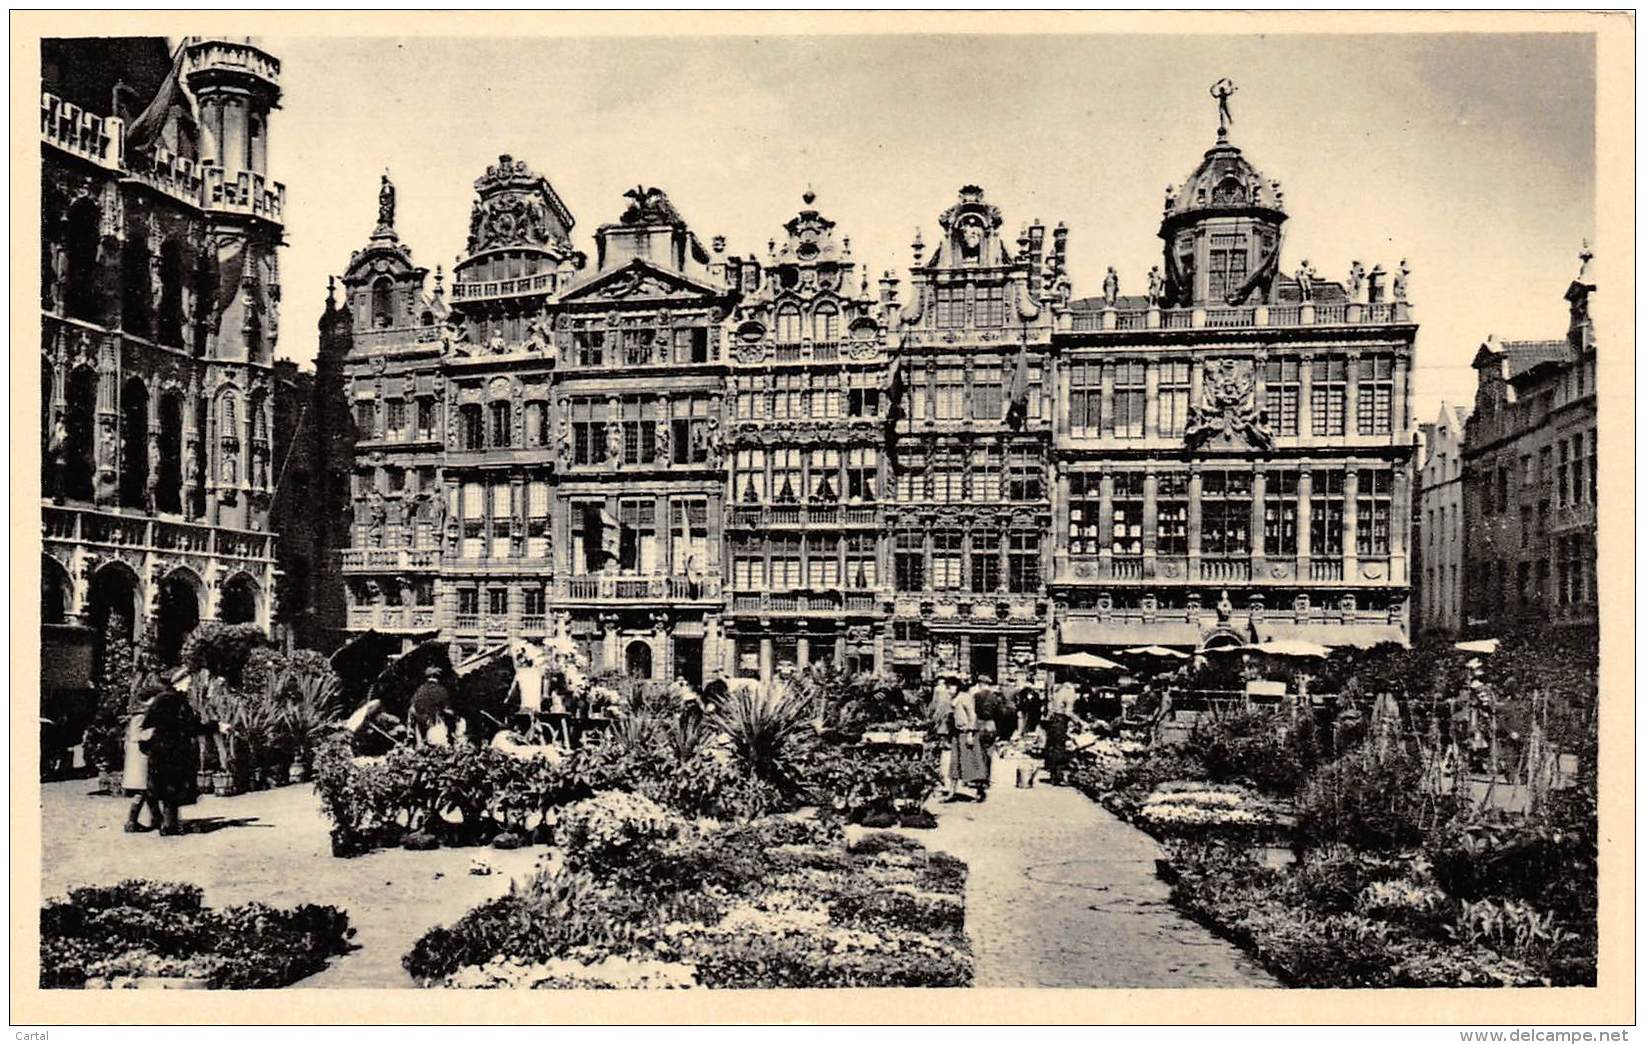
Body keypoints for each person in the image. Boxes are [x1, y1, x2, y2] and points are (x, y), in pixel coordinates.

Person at [139, 667, 228, 836]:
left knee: (164, 789)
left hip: (161, 750)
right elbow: (189, 727)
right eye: (187, 682)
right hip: (172, 751)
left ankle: (165, 823)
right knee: (170, 789)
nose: (190, 685)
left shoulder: (164, 700)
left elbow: (149, 725)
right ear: (178, 682)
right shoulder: (174, 701)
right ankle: (168, 826)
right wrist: (216, 726)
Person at [951, 685, 991, 802]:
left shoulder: (965, 698)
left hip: (967, 733)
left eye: (950, 686)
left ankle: (980, 792)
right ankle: (951, 792)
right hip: (957, 733)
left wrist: (970, 734)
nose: (948, 689)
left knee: (972, 764)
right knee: (955, 764)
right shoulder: (955, 698)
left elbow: (972, 716)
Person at [409, 665, 455, 747]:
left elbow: (412, 709)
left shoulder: (420, 690)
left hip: (420, 727)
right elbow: (447, 710)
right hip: (435, 727)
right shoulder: (441, 690)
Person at [1043, 680, 1078, 786]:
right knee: (1059, 748)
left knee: (1053, 747)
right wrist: (1080, 721)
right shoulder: (1070, 692)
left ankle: (1053, 776)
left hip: (1053, 721)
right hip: (1060, 721)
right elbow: (1068, 712)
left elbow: (1051, 709)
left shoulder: (1059, 690)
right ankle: (1058, 778)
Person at [930, 676, 957, 800]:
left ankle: (944, 783)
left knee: (944, 755)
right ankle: (946, 782)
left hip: (943, 729)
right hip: (948, 730)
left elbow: (935, 711)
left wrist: (933, 721)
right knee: (947, 754)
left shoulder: (942, 699)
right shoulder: (952, 699)